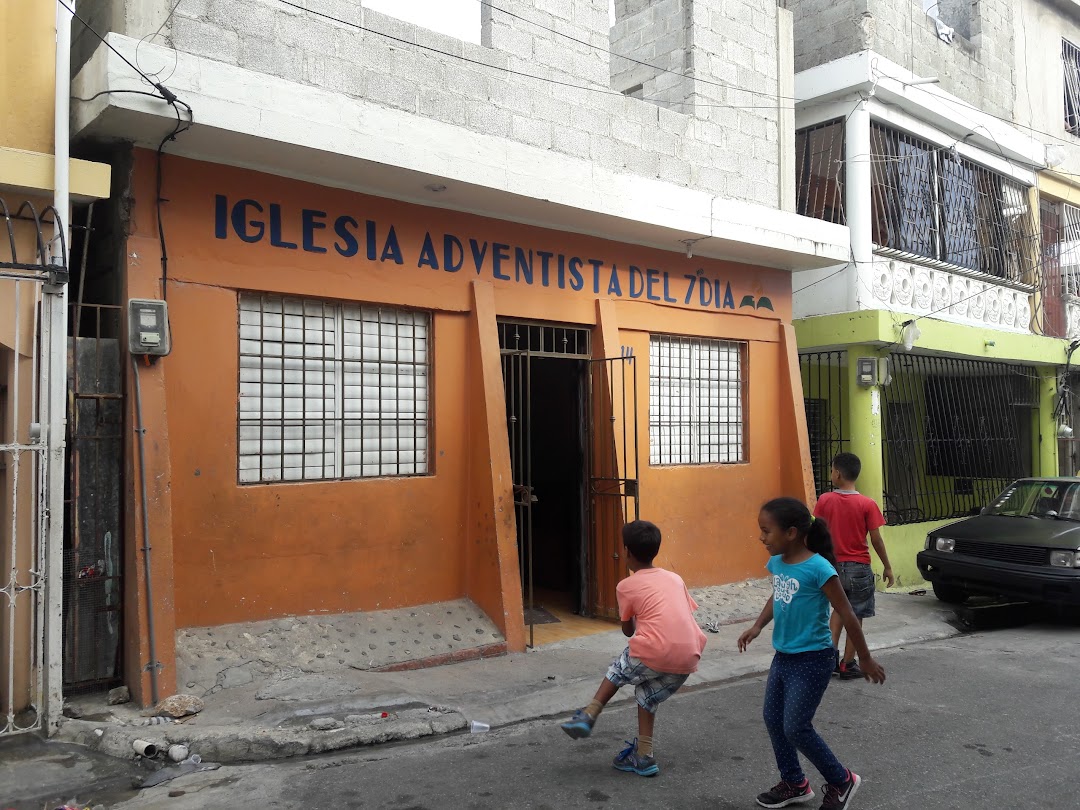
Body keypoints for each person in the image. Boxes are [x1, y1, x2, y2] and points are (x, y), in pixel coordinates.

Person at [738, 497, 885, 810]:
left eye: (767, 531)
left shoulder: (819, 568)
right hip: (784, 656)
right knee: (773, 720)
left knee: (796, 727)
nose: (761, 537)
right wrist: (757, 626)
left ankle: (842, 780)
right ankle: (794, 782)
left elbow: (846, 613)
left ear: (791, 533)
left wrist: (865, 657)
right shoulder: (777, 563)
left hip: (814, 658)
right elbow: (778, 595)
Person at [559, 519, 706, 777]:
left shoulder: (626, 586)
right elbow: (680, 614)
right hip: (689, 656)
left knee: (618, 669)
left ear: (626, 551)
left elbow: (628, 630)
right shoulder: (674, 578)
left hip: (654, 650)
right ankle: (644, 757)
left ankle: (589, 713)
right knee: (646, 696)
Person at [813, 453, 893, 681]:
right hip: (859, 568)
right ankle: (848, 664)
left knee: (837, 612)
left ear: (837, 473)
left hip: (832, 567)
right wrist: (887, 566)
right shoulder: (867, 504)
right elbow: (876, 540)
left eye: (831, 470)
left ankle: (827, 660)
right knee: (855, 615)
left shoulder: (825, 500)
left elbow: (817, 531)